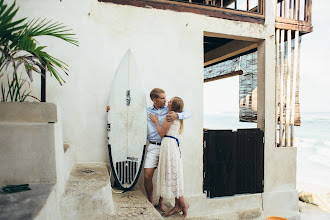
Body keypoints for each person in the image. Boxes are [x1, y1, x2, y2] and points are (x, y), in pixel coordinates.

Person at [145, 88, 190, 212]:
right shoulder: (147, 111)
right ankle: (151, 200)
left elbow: (187, 113)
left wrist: (178, 115)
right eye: (163, 98)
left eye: (167, 99)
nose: (165, 100)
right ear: (154, 100)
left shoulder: (170, 112)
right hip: (154, 146)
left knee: (166, 174)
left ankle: (162, 202)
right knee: (148, 175)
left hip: (167, 146)